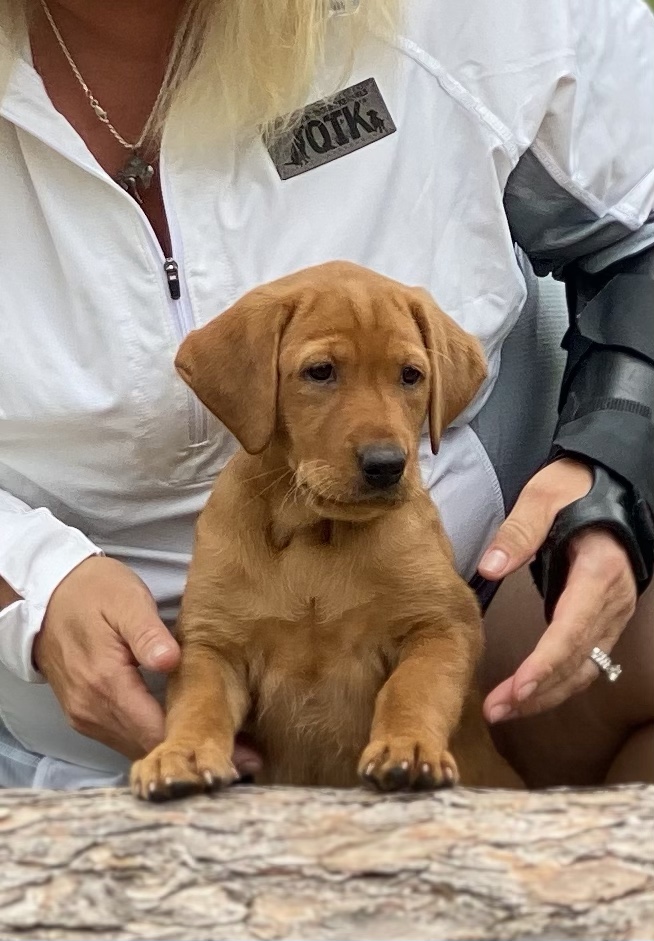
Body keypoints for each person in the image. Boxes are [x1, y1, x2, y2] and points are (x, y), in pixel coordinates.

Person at [0, 0, 652, 790]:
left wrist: (615, 462)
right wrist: (25, 578)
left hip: (482, 635)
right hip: (82, 743)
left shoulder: (472, 19)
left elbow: (642, 230)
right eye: (321, 372)